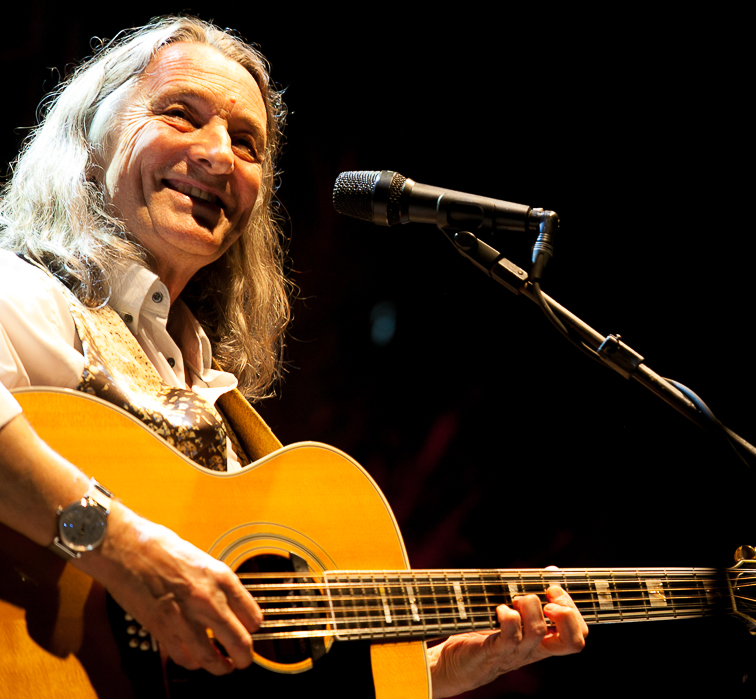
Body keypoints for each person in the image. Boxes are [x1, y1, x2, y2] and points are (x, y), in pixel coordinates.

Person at [0, 15, 586, 696]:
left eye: (247, 142)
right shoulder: (26, 292)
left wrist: (443, 668)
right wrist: (126, 549)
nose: (219, 154)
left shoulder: (207, 387)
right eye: (181, 115)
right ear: (88, 142)